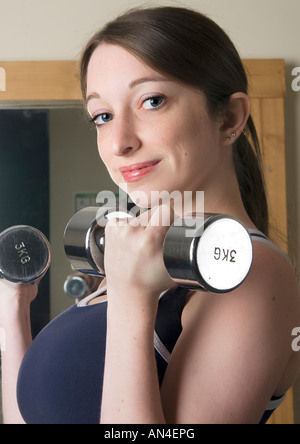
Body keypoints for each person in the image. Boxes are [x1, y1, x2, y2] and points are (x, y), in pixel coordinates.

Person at [1, 6, 300, 424]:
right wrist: (13, 305)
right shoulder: (140, 260)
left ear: (228, 118)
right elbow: (32, 416)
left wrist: (129, 296)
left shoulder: (248, 271)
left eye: (152, 101)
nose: (119, 141)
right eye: (103, 116)